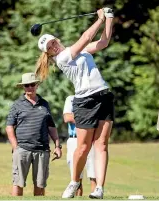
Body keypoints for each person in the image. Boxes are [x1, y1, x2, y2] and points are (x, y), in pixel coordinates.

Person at [35, 7, 114, 199]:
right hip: (84, 102)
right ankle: (74, 181)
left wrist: (109, 18)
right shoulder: (62, 58)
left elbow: (103, 42)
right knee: (83, 147)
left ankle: (99, 188)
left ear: (57, 40)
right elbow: (86, 37)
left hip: (103, 96)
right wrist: (99, 19)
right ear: (49, 54)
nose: (54, 47)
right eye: (50, 47)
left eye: (54, 42)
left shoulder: (77, 51)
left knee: (102, 144)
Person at [6, 72, 62, 196]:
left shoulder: (44, 104)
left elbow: (51, 126)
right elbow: (9, 127)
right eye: (27, 85)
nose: (30, 88)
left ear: (37, 85)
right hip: (22, 149)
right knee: (18, 183)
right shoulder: (17, 104)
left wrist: (57, 146)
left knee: (40, 185)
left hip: (42, 150)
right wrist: (15, 147)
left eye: (32, 85)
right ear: (23, 87)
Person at [63, 95, 96, 196]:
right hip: (74, 139)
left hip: (92, 140)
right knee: (76, 178)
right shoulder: (71, 99)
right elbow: (67, 117)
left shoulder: (94, 99)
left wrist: (78, 117)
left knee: (94, 176)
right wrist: (88, 120)